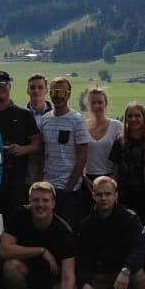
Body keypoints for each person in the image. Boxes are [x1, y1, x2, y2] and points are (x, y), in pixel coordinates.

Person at [0, 181, 77, 289]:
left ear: (53, 204)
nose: (40, 205)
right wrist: (41, 251)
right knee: (10, 267)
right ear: (29, 201)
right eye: (35, 200)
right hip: (27, 273)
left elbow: (68, 276)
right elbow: (4, 250)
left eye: (45, 200)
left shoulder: (64, 231)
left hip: (53, 279)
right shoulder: (20, 215)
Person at [75, 175, 145, 289]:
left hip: (125, 274)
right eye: (99, 194)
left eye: (108, 194)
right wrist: (85, 283)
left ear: (116, 195)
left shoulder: (130, 218)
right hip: (101, 274)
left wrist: (126, 269)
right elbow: (83, 258)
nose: (104, 198)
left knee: (139, 275)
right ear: (93, 196)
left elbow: (138, 249)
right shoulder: (86, 224)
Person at [0, 70, 42, 212]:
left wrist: (22, 149)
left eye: (3, 83)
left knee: (17, 219)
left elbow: (37, 143)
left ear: (10, 86)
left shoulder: (24, 114)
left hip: (17, 180)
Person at [38, 76, 91, 222]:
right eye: (54, 92)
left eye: (62, 92)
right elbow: (43, 152)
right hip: (48, 187)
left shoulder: (78, 120)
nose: (58, 96)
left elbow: (82, 157)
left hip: (69, 189)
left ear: (69, 94)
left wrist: (69, 187)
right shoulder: (45, 119)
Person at [109, 101, 145, 221]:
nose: (133, 119)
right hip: (125, 195)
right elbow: (115, 172)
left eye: (137, 115)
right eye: (130, 116)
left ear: (144, 118)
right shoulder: (119, 143)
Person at [82, 86, 121, 182]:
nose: (96, 106)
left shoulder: (117, 126)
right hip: (88, 178)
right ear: (88, 105)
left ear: (105, 104)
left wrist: (113, 180)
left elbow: (120, 157)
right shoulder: (82, 126)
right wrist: (84, 177)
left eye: (100, 102)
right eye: (93, 103)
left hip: (110, 177)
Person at [22, 72, 52, 184]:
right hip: (26, 173)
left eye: (40, 87)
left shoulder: (55, 116)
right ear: (27, 90)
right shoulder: (20, 115)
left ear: (46, 90)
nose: (36, 90)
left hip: (50, 173)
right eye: (33, 87)